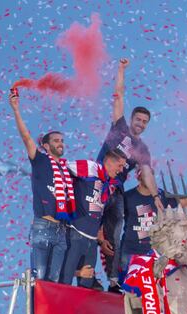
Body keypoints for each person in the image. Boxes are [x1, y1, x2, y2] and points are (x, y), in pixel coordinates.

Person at [97, 58, 163, 293]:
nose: (141, 124)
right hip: (97, 182)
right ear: (132, 119)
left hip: (116, 188)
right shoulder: (120, 128)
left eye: (145, 122)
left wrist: (156, 197)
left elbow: (146, 172)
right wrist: (121, 70)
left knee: (118, 226)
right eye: (138, 120)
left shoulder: (143, 150)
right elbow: (119, 95)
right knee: (86, 223)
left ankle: (113, 280)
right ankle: (81, 272)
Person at [9, 88, 76, 282]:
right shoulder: (39, 160)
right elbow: (26, 138)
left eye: (62, 141)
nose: (60, 143)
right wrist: (16, 110)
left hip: (61, 230)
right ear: (46, 146)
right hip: (43, 226)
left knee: (53, 282)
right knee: (39, 280)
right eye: (56, 141)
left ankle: (48, 313)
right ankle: (34, 313)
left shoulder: (67, 168)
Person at [119, 170, 187, 276]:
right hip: (130, 252)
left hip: (156, 254)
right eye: (145, 174)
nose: (149, 178)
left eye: (151, 174)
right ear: (138, 177)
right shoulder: (127, 197)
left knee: (159, 290)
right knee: (127, 288)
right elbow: (112, 217)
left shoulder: (162, 196)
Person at [61, 150, 126, 290]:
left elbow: (98, 211)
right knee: (64, 280)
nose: (121, 170)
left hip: (91, 241)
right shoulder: (91, 168)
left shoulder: (110, 185)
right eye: (119, 166)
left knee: (87, 284)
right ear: (109, 161)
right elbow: (60, 168)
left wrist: (101, 238)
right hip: (75, 234)